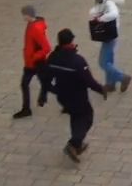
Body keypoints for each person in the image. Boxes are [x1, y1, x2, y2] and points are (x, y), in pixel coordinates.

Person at [45, 28, 106, 163]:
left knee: (75, 117)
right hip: (78, 97)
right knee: (87, 118)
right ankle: (73, 143)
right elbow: (89, 81)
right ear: (72, 41)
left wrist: (55, 90)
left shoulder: (52, 58)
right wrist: (101, 89)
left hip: (62, 97)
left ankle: (77, 145)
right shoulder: (77, 61)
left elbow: (46, 78)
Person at [88, 0, 132, 93]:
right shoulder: (103, 3)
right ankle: (110, 84)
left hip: (109, 37)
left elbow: (114, 14)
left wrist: (101, 18)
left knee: (102, 63)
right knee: (109, 62)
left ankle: (122, 78)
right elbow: (93, 11)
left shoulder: (108, 3)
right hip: (109, 36)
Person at [13, 5, 51, 119]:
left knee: (26, 84)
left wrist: (34, 56)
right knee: (42, 82)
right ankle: (36, 102)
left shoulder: (35, 28)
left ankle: (27, 109)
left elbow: (47, 47)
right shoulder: (32, 24)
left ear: (28, 15)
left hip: (35, 62)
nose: (23, 17)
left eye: (24, 15)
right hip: (31, 62)